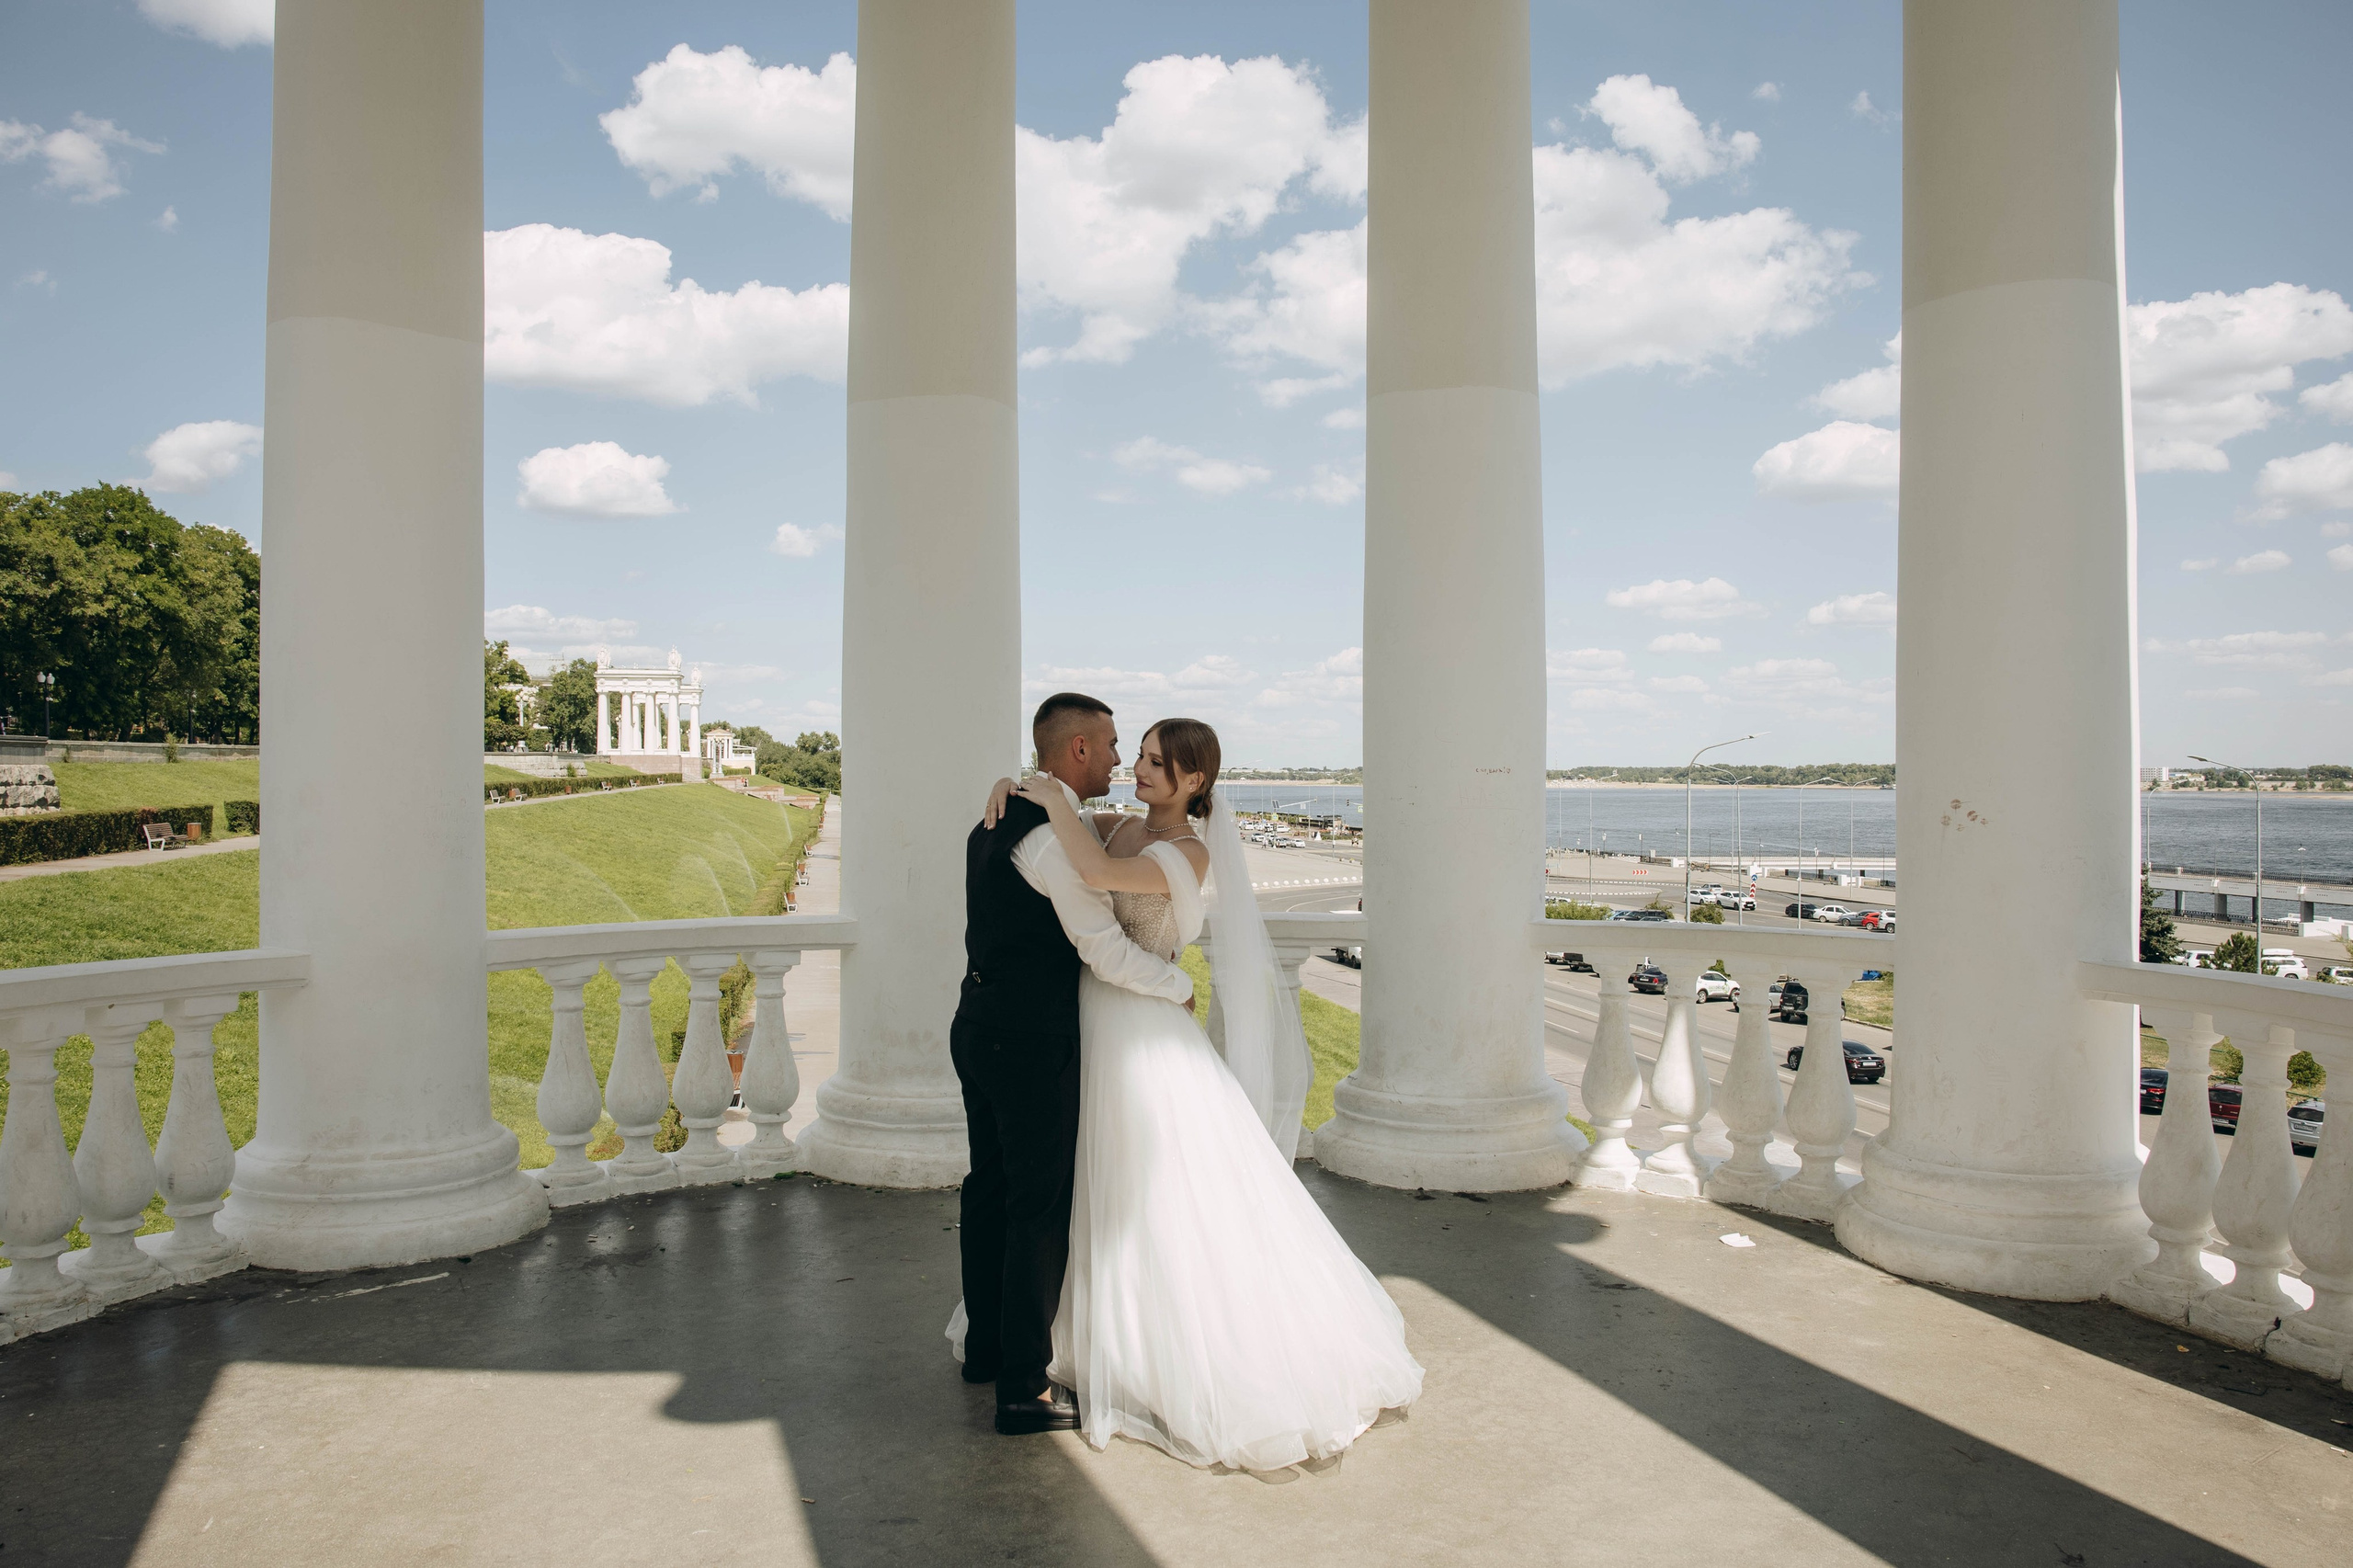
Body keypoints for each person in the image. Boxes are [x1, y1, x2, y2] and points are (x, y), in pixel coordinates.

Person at [956, 716, 1423, 1472]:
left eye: (1155, 763)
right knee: (1075, 1189)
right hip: (1088, 1021)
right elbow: (1069, 829)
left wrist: (1044, 797)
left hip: (1141, 1021)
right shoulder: (1116, 825)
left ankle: (1154, 1349)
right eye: (1134, 755)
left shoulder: (1186, 852)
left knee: (1159, 1188)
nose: (1136, 770)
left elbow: (1098, 879)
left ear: (1195, 782)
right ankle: (1066, 1341)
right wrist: (1015, 787)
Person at [950, 692, 1199, 1436]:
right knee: (1038, 1209)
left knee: (988, 1190)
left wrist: (1019, 781)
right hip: (1028, 1043)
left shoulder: (998, 819)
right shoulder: (1059, 844)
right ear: (1080, 750)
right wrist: (1178, 985)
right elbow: (1103, 948)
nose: (1124, 760)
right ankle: (1025, 1388)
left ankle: (987, 1353)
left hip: (976, 1023)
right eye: (1117, 746)